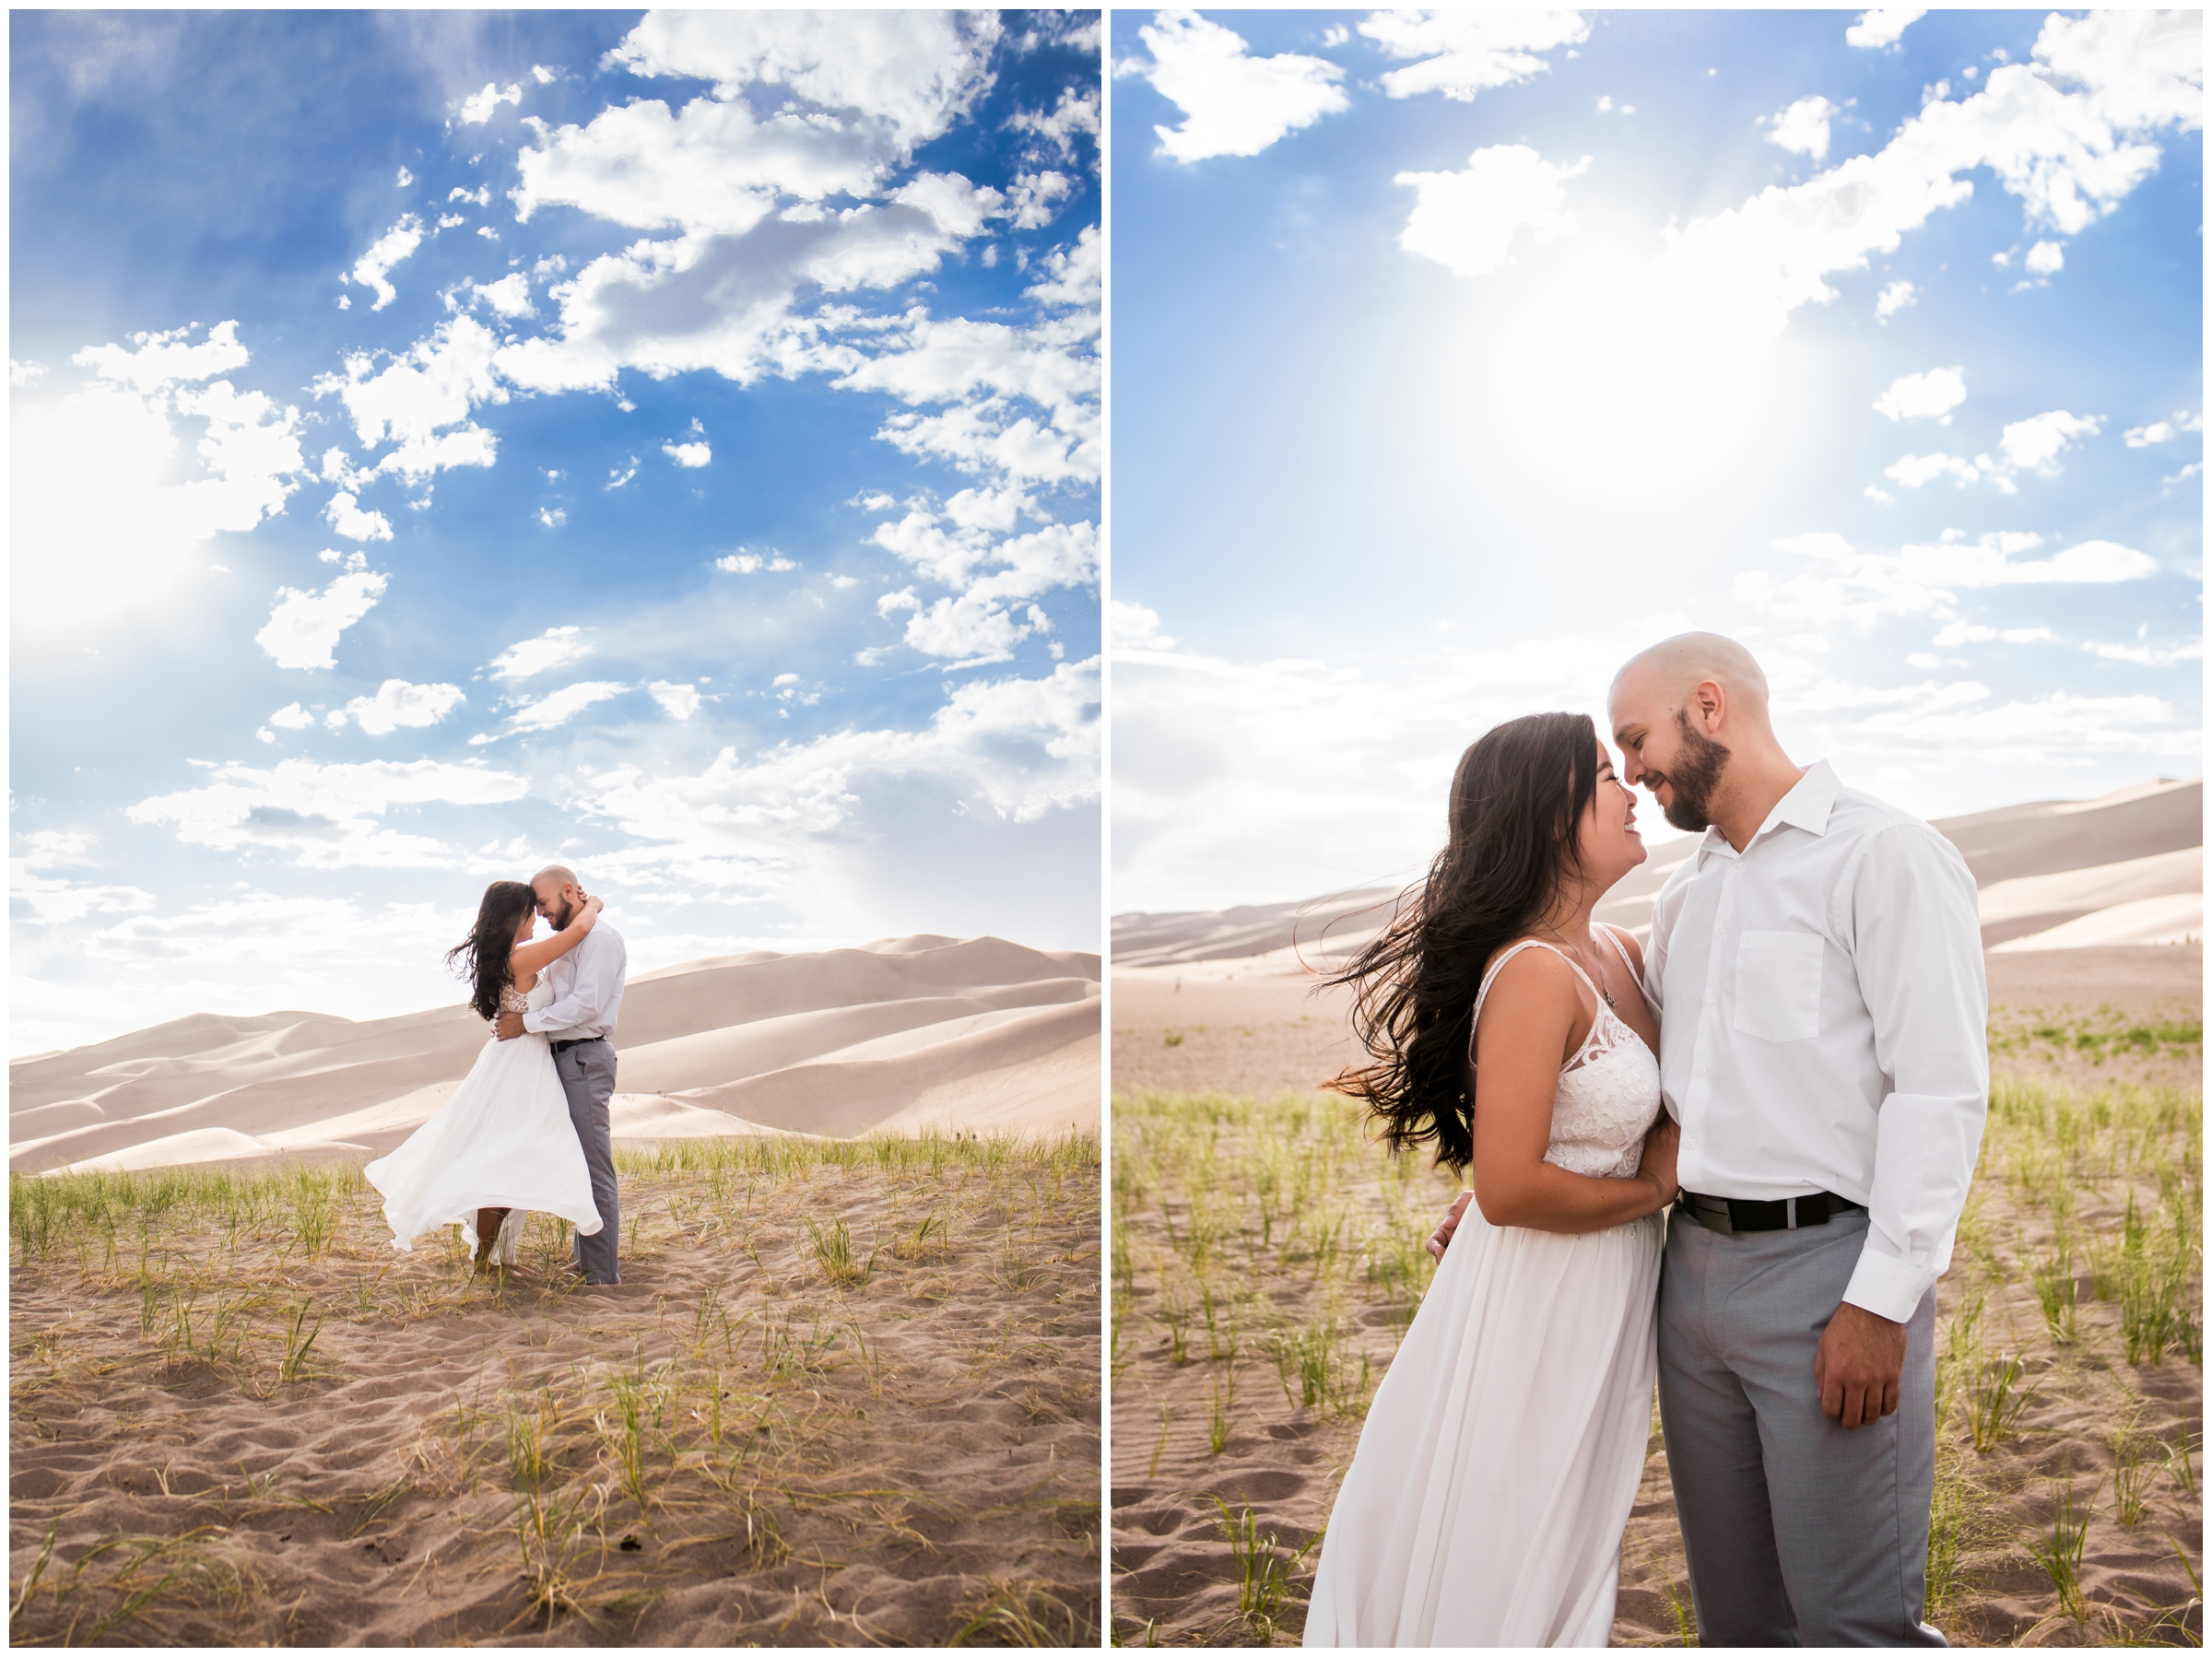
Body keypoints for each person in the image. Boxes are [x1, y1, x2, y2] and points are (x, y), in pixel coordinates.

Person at [1604, 633, 1986, 1645]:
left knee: (1853, 1622)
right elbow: (1657, 1096)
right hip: (1690, 1288)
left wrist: (1880, 1299)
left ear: (1710, 705)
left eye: (1637, 740)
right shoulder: (1686, 894)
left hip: (1830, 1279)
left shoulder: (1884, 853)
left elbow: (1938, 1090)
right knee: (1738, 1620)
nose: (1632, 772)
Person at [1301, 711, 1678, 1648]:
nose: (1630, 788)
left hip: (1606, 1293)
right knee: (1511, 1540)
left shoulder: (1626, 954)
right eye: (1603, 775)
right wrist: (1654, 1193)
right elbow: (1508, 1188)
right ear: (1553, 817)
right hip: (1536, 1298)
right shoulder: (1533, 975)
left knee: (1570, 1539)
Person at [365, 879, 607, 1275]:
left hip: (518, 1061)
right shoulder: (520, 960)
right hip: (518, 1068)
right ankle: (487, 1263)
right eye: (533, 912)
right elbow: (579, 930)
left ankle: (493, 1259)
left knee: (506, 1156)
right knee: (504, 1158)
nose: (538, 919)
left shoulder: (511, 958)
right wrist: (593, 903)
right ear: (518, 917)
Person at [493, 864, 629, 1286]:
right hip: (561, 1059)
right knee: (575, 1163)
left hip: (585, 1057)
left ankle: (601, 1272)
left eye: (545, 904)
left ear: (569, 891)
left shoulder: (600, 940)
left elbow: (586, 1007)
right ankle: (587, 1258)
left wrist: (526, 1025)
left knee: (593, 1167)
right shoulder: (570, 941)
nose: (542, 913)